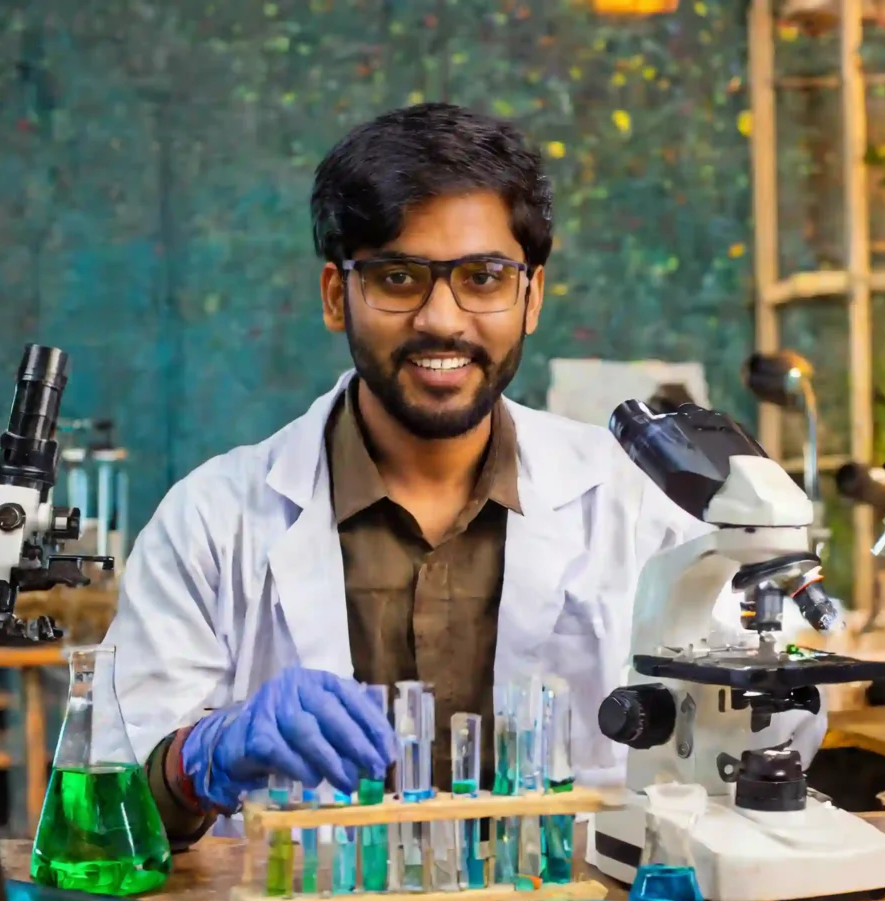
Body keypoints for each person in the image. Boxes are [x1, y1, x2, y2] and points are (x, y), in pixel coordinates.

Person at [106, 103, 827, 848]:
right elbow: (107, 813)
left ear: (531, 296)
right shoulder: (210, 520)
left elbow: (777, 728)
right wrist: (204, 758)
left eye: (483, 277)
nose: (442, 319)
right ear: (334, 295)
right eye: (397, 276)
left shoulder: (641, 507)